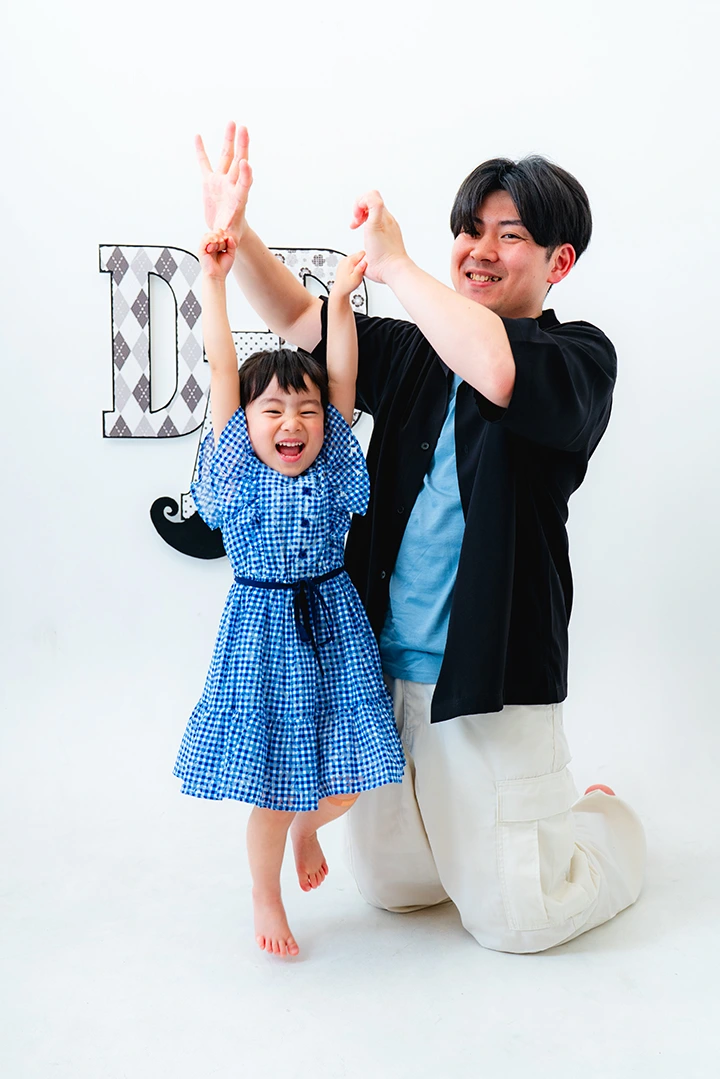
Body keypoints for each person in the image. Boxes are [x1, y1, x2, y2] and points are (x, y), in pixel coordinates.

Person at [194, 122, 646, 954]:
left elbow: (498, 370)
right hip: (384, 671)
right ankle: (475, 838)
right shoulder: (418, 352)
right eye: (470, 230)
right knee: (394, 890)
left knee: (523, 922)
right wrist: (238, 231)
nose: (480, 250)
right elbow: (295, 317)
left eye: (510, 235)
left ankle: (601, 822)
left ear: (559, 262)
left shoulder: (579, 357)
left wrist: (396, 265)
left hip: (491, 681)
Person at [173, 228, 405, 957]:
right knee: (274, 788)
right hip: (264, 632)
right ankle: (265, 894)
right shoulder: (237, 466)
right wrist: (213, 283)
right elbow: (222, 368)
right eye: (272, 410)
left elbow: (342, 381)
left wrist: (339, 303)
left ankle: (311, 827)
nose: (292, 423)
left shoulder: (332, 459)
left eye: (304, 410)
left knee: (357, 771)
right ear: (246, 424)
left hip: (333, 622)